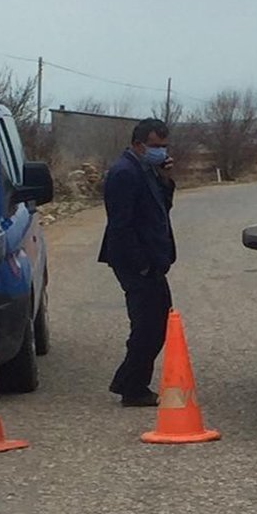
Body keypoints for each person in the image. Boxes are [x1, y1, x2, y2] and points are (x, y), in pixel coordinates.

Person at [98, 118, 177, 406]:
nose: (161, 151)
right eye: (155, 146)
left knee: (157, 321)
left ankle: (130, 381)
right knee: (148, 324)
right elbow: (121, 226)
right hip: (136, 262)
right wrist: (141, 264)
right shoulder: (124, 173)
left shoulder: (147, 170)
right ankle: (132, 386)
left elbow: (160, 209)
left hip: (151, 260)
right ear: (138, 144)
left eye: (165, 146)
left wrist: (166, 180)